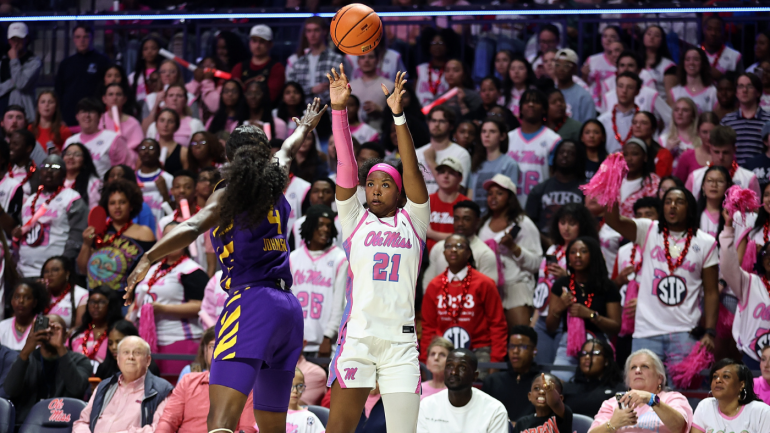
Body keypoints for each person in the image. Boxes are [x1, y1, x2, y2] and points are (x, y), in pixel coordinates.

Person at [125, 96, 327, 433]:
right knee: (273, 424)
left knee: (220, 422)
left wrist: (147, 257)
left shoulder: (231, 192)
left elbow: (192, 226)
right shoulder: (276, 176)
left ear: (228, 158)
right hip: (289, 310)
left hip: (252, 303)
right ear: (265, 153)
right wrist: (305, 126)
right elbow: (288, 149)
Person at [319, 63, 430, 433]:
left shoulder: (415, 221)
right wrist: (339, 110)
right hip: (359, 337)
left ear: (400, 190)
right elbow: (345, 164)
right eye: (371, 184)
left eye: (385, 184)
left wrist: (398, 115)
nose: (376, 189)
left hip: (400, 343)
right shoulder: (354, 219)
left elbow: (411, 166)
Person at [604, 185, 718, 365]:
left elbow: (711, 292)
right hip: (647, 332)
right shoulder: (647, 229)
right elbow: (613, 220)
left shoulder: (706, 242)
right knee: (641, 391)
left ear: (690, 208)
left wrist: (710, 332)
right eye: (668, 202)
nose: (672, 206)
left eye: (679, 202)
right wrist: (612, 186)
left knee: (682, 392)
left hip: (685, 331)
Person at [421, 233, 508, 373]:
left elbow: (497, 325)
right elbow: (428, 328)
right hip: (443, 352)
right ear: (444, 253)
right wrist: (426, 361)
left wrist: (496, 361)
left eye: (459, 246)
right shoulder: (434, 285)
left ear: (468, 253)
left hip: (479, 350)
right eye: (448, 246)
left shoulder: (484, 284)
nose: (453, 249)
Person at [130, 221, 206, 376]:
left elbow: (201, 306)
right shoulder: (152, 269)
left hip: (180, 340)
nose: (172, 240)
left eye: (177, 236)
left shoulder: (192, 270)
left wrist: (163, 309)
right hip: (149, 341)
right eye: (167, 236)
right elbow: (139, 298)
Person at [547, 237, 621, 381]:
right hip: (568, 345)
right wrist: (559, 308)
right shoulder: (561, 285)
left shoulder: (607, 286)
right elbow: (550, 327)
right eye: (573, 252)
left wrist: (591, 315)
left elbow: (615, 327)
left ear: (593, 255)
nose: (577, 256)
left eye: (583, 251)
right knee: (554, 385)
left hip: (597, 344)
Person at [72, 335, 173, 433]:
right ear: (118, 360)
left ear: (148, 360)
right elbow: (82, 422)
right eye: (126, 352)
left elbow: (159, 429)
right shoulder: (105, 386)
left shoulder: (162, 390)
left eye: (137, 353)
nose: (131, 357)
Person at [478, 174, 542, 327]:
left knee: (519, 338)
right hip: (491, 290)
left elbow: (537, 263)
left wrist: (513, 247)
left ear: (510, 197)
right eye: (490, 193)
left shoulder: (523, 223)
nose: (493, 197)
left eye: (499, 193)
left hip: (516, 287)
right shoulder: (483, 225)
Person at [4, 313, 91, 423]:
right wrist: (26, 349)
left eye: (54, 328)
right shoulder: (25, 358)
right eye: (45, 327)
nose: (48, 332)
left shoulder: (80, 361)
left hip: (63, 422)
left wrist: (60, 348)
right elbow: (10, 390)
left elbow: (76, 389)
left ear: (65, 335)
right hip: (27, 423)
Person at [14, 154, 87, 277]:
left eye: (55, 167)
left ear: (64, 174)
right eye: (46, 167)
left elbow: (77, 235)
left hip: (54, 273)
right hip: (24, 270)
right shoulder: (30, 200)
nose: (49, 171)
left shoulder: (71, 198)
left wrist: (63, 264)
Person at [588, 349, 694, 433]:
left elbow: (679, 428)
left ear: (659, 378)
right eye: (633, 367)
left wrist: (651, 399)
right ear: (627, 380)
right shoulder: (612, 404)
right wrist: (612, 424)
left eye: (645, 366)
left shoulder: (673, 399)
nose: (638, 371)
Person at [289, 204, 347, 357]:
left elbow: (339, 303)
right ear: (310, 226)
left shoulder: (339, 259)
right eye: (320, 224)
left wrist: (328, 336)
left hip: (325, 345)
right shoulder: (293, 258)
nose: (326, 229)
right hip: (297, 341)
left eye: (329, 226)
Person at [78, 179, 157, 291]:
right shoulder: (98, 231)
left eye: (122, 202)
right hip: (95, 298)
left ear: (131, 205)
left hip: (125, 301)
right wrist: (86, 244)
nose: (117, 207)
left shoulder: (144, 233)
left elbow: (152, 270)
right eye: (112, 203)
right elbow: (82, 269)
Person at [720, 212, 770, 369]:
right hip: (752, 358)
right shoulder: (749, 282)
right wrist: (728, 230)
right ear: (761, 259)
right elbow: (729, 266)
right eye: (767, 254)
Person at [417, 349, 509, 433]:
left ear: (475, 376)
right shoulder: (427, 406)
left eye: (462, 368)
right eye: (449, 366)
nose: (453, 372)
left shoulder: (495, 410)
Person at [423, 200, 500, 288]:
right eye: (456, 219)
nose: (460, 223)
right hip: (439, 300)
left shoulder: (485, 253)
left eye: (466, 219)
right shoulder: (439, 248)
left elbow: (489, 289)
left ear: (477, 221)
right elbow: (428, 283)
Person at [507, 89, 562, 207]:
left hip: (541, 205)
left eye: (535, 102)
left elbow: (555, 176)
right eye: (526, 102)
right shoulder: (508, 138)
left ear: (543, 109)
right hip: (510, 205)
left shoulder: (553, 140)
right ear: (520, 108)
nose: (531, 104)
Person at [482, 325, 542, 422]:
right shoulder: (493, 381)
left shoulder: (541, 384)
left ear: (534, 351)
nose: (515, 351)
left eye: (522, 346)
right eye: (512, 346)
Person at [690, 359, 770, 432]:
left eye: (726, 376)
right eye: (715, 376)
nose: (718, 380)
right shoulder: (705, 406)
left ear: (741, 384)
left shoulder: (762, 412)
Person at [157, 171, 213, 274]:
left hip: (199, 278)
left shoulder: (206, 219)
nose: (181, 191)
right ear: (172, 191)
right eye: (177, 187)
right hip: (172, 279)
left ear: (195, 191)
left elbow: (211, 261)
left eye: (187, 187)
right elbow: (160, 257)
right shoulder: (164, 222)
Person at [526, 139, 586, 235]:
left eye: (571, 153)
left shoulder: (586, 191)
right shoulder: (539, 190)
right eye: (561, 152)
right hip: (544, 243)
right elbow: (530, 224)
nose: (565, 155)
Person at [55, 25, 110, 126]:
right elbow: (59, 92)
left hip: (94, 115)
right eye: (78, 37)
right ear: (73, 39)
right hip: (69, 116)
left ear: (92, 37)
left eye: (86, 37)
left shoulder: (103, 61)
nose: (82, 40)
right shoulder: (66, 64)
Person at [287, 17, 350, 106]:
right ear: (305, 34)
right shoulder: (298, 63)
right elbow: (290, 90)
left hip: (328, 112)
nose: (312, 35)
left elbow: (344, 89)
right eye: (309, 31)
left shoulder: (336, 59)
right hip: (302, 113)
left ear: (324, 32)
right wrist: (312, 90)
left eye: (316, 30)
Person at [600, 51, 671, 129]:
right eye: (622, 65)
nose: (625, 69)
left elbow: (671, 119)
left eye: (630, 65)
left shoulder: (650, 94)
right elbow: (603, 124)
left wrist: (662, 139)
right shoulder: (608, 96)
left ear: (639, 70)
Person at [64, 98, 131, 178]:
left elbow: (126, 170)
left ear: (99, 116)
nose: (87, 115)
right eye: (83, 112)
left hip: (103, 187)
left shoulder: (113, 139)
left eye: (91, 112)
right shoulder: (70, 141)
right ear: (77, 116)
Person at [686, 125, 760, 197]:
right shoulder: (695, 177)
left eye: (725, 152)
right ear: (710, 149)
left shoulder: (749, 178)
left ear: (734, 149)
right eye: (716, 152)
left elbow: (756, 208)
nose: (721, 157)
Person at [563, 339, 626, 418]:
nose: (587, 357)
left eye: (594, 353)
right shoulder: (567, 388)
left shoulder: (618, 389)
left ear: (606, 360)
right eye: (584, 353)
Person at [468, 118, 520, 214]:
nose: (486, 135)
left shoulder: (509, 164)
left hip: (497, 216)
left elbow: (510, 197)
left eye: (492, 131)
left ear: (502, 136)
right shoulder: (476, 163)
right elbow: (470, 193)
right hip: (476, 217)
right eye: (483, 131)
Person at [416, 106, 472, 195]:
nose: (436, 124)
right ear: (428, 123)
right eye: (433, 120)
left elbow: (459, 189)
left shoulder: (461, 154)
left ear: (451, 126)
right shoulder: (417, 153)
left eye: (442, 121)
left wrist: (431, 162)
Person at [722, 73, 770, 164]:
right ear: (736, 93)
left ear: (758, 92)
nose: (744, 90)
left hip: (762, 173)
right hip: (733, 173)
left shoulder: (768, 120)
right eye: (740, 86)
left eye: (749, 86)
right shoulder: (726, 121)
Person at [231, 25, 285, 105]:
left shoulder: (277, 68)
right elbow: (232, 96)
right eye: (254, 41)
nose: (257, 45)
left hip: (268, 115)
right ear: (249, 43)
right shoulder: (239, 67)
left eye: (262, 42)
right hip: (240, 114)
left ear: (270, 44)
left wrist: (243, 88)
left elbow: (270, 97)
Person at [67, 286, 122, 365]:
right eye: (92, 302)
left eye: (102, 302)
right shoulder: (76, 334)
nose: (96, 306)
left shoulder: (118, 333)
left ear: (111, 305)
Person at [0, 23, 41, 123]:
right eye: (13, 39)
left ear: (26, 39)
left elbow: (21, 83)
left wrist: (14, 60)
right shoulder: (2, 60)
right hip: (2, 113)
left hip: (23, 116)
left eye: (19, 39)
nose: (16, 43)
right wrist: (13, 82)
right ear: (9, 41)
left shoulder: (34, 62)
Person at [426, 157, 469, 252]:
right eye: (442, 172)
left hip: (455, 257)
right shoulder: (426, 201)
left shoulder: (467, 205)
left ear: (460, 178)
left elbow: (464, 238)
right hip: (426, 260)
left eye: (451, 173)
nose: (446, 176)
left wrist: (430, 233)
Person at [144, 84, 206, 149]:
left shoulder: (195, 124)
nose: (174, 99)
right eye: (171, 95)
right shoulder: (155, 126)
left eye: (179, 96)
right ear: (165, 100)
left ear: (185, 100)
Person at [96, 319, 161, 380]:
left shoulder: (149, 367)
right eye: (110, 343)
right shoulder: (104, 368)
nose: (113, 347)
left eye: (118, 342)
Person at [290, 178, 341, 249]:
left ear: (334, 196)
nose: (320, 195)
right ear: (309, 196)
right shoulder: (298, 224)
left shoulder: (343, 222)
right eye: (316, 191)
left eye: (326, 192)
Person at [600, 72, 642, 153]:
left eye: (629, 87)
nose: (624, 91)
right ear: (615, 89)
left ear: (637, 92)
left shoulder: (643, 121)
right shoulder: (603, 120)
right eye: (620, 86)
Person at [0, 279, 48, 350]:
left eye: (26, 298)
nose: (21, 301)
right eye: (17, 297)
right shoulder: (2, 326)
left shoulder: (42, 324)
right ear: (12, 301)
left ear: (35, 302)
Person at [41, 256, 87, 330]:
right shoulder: (41, 293)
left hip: (66, 338)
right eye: (46, 271)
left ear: (67, 273)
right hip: (39, 337)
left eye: (55, 270)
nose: (50, 274)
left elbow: (79, 328)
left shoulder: (81, 294)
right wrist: (36, 292)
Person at [619, 138, 660, 219]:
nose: (629, 159)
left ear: (645, 157)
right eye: (625, 155)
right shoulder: (614, 180)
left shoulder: (653, 182)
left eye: (634, 154)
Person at [669, 47, 717, 114]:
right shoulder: (674, 92)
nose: (691, 63)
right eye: (687, 59)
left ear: (702, 63)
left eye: (696, 59)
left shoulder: (712, 92)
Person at [136, 138, 173, 223]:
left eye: (151, 148)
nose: (146, 151)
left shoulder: (167, 178)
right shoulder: (132, 178)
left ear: (158, 153)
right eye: (143, 148)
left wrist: (164, 193)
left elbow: (174, 211)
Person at [674, 112, 719, 182]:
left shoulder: (726, 155)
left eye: (712, 132)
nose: (709, 137)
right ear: (698, 132)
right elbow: (678, 184)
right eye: (704, 132)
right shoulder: (687, 156)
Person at [553, 49, 595, 123]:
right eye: (557, 65)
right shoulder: (550, 91)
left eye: (566, 66)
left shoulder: (583, 96)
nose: (561, 69)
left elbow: (589, 125)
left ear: (575, 68)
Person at [100, 82, 144, 152]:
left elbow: (138, 145)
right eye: (110, 94)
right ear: (104, 99)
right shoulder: (98, 120)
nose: (114, 98)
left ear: (124, 99)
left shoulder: (133, 123)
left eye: (118, 94)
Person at [583, 26, 622, 105]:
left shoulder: (623, 62)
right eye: (605, 36)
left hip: (614, 103)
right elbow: (585, 84)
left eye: (612, 36)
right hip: (594, 104)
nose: (608, 39)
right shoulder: (592, 60)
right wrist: (584, 75)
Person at [415, 29, 452, 107]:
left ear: (447, 46)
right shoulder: (420, 69)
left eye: (441, 43)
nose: (437, 46)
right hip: (421, 111)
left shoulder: (452, 69)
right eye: (433, 43)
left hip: (444, 111)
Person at [639, 25, 677, 99]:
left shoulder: (669, 66)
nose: (652, 37)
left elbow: (671, 98)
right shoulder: (635, 62)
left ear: (662, 41)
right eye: (649, 34)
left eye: (656, 35)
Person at [632, 111, 673, 178]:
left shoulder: (663, 154)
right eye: (634, 122)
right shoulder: (626, 152)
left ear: (653, 129)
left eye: (644, 123)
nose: (637, 126)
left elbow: (661, 180)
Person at [702, 16, 744, 81]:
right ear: (704, 30)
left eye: (718, 30)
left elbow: (741, 82)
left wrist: (721, 77)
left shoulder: (735, 56)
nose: (713, 33)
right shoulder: (693, 53)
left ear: (723, 32)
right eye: (709, 29)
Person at [8, 128, 41, 197]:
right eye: (10, 143)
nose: (10, 147)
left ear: (28, 148)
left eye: (15, 144)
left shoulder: (37, 176)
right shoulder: (3, 168)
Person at [129, 36, 162, 103]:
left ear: (159, 51)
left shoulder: (164, 73)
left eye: (153, 48)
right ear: (141, 53)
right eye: (145, 49)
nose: (149, 51)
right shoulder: (132, 77)